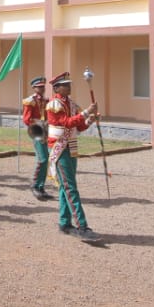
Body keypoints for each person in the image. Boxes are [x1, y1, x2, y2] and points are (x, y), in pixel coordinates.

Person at [46, 72, 100, 241]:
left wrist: (90, 119)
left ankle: (64, 222)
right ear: (56, 88)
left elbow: (79, 126)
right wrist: (86, 112)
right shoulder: (53, 105)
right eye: (65, 84)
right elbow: (66, 123)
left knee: (66, 187)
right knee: (70, 187)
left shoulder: (72, 104)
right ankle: (82, 226)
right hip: (59, 148)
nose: (69, 86)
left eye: (69, 84)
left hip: (71, 146)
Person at [21, 75, 52, 201]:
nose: (42, 89)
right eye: (39, 87)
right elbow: (26, 119)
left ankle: (41, 186)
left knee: (46, 160)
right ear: (34, 88)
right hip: (37, 131)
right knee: (42, 159)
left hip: (46, 131)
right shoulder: (30, 101)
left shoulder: (46, 100)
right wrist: (39, 123)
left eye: (43, 87)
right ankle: (34, 185)